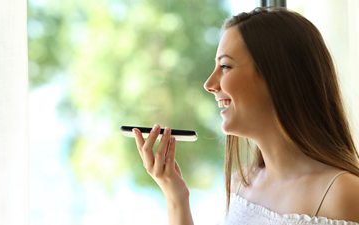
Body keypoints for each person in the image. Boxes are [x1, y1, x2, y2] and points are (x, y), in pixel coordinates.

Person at [132, 7, 359, 225]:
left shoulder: (343, 195)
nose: (209, 84)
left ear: (276, 77)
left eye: (225, 66)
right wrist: (175, 197)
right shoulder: (242, 184)